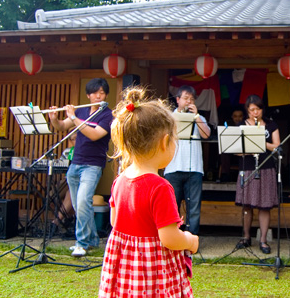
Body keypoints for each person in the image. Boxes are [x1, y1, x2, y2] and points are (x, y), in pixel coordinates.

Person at [99, 86, 198, 298]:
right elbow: (169, 238)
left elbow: (116, 224)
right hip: (153, 273)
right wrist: (189, 240)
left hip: (126, 272)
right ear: (165, 142)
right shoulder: (160, 187)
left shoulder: (120, 180)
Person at [48, 78, 114, 257]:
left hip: (92, 165)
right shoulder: (83, 111)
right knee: (79, 205)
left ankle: (82, 242)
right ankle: (91, 239)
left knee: (84, 201)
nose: (98, 96)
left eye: (102, 93)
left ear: (106, 95)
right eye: (95, 93)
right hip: (75, 162)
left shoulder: (107, 115)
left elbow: (93, 135)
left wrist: (73, 118)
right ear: (88, 95)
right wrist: (54, 119)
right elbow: (61, 126)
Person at [234, 94, 280, 254]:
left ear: (262, 109)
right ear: (247, 110)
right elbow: (236, 151)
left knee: (265, 205)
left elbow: (277, 147)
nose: (255, 112)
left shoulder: (271, 125)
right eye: (252, 109)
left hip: (266, 167)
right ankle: (246, 237)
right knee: (247, 204)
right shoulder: (241, 125)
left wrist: (261, 141)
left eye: (258, 109)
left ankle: (263, 240)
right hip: (247, 167)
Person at [164, 85, 211, 235]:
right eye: (185, 98)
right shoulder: (169, 118)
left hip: (194, 168)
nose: (189, 101)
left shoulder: (199, 118)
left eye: (192, 99)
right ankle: (172, 238)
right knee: (172, 207)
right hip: (173, 167)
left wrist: (196, 116)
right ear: (178, 100)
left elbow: (206, 135)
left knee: (194, 208)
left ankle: (192, 240)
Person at [217, 106, 244, 183]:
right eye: (235, 116)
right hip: (230, 152)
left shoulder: (246, 124)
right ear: (232, 117)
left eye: (240, 116)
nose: (237, 119)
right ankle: (225, 175)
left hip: (242, 151)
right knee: (224, 152)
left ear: (243, 117)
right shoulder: (228, 125)